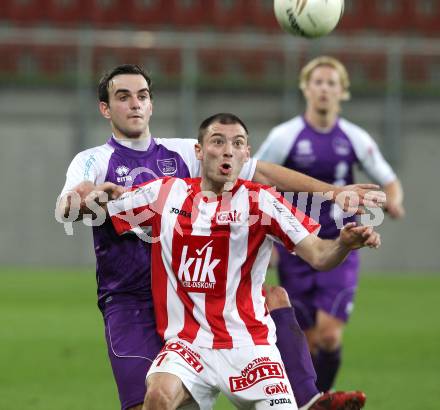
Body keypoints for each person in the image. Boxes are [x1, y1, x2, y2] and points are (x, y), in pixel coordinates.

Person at [56, 64, 378, 410]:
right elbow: (67, 207)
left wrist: (333, 193)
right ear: (105, 108)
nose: (135, 104)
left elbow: (264, 172)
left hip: (192, 299)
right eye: (123, 97)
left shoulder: (186, 152)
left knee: (273, 297)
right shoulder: (92, 160)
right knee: (150, 403)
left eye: (143, 96)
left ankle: (307, 398)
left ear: (152, 105)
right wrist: (93, 198)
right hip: (132, 300)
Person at [255, 56, 405, 392]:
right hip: (298, 247)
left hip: (342, 244)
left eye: (331, 83)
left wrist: (394, 200)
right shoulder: (285, 136)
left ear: (343, 92)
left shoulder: (353, 137)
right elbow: (257, 177)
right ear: (306, 89)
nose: (324, 89)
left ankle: (319, 400)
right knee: (306, 340)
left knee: (329, 334)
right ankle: (313, 399)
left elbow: (389, 179)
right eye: (317, 82)